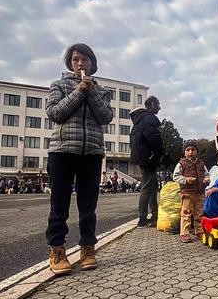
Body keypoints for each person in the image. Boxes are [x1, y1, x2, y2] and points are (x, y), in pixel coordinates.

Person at [45, 43, 114, 275]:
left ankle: (87, 249)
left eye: (85, 59)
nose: (80, 63)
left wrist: (91, 90)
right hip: (63, 151)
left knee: (88, 207)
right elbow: (55, 113)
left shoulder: (102, 91)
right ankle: (57, 250)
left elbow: (105, 116)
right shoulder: (59, 85)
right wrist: (78, 92)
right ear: (70, 63)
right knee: (59, 205)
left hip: (91, 153)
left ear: (92, 64)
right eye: (75, 59)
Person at [130, 95, 164, 228]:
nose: (159, 107)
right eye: (158, 105)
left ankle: (155, 214)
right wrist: (159, 152)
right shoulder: (149, 118)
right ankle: (142, 218)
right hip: (149, 157)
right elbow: (153, 138)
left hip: (143, 157)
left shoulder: (139, 120)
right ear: (152, 105)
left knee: (152, 186)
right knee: (147, 186)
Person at [173, 140, 210, 243]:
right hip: (187, 193)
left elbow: (207, 174)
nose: (190, 152)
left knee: (199, 214)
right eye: (187, 150)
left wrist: (206, 179)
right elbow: (175, 176)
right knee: (186, 214)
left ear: (197, 151)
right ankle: (184, 232)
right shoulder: (181, 163)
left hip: (199, 193)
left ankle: (199, 231)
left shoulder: (201, 164)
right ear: (184, 152)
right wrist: (185, 180)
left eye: (193, 150)